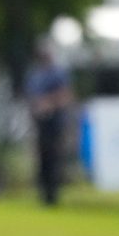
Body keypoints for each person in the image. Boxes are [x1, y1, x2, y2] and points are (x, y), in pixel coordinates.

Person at [25, 42, 73, 206]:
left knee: (54, 157)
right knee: (42, 158)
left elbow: (64, 95)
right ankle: (43, 193)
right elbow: (31, 97)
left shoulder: (58, 73)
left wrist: (48, 103)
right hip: (40, 122)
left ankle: (53, 195)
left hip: (55, 122)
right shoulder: (35, 75)